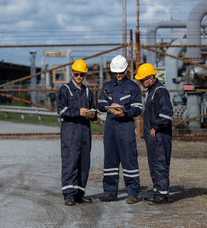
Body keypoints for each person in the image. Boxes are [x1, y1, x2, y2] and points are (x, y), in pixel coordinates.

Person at [97, 55, 142, 204]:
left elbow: (137, 108)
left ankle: (133, 193)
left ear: (126, 69)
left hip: (126, 126)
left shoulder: (133, 87)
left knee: (129, 159)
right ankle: (110, 192)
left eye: (121, 72)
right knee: (110, 159)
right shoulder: (107, 86)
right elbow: (100, 103)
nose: (118, 75)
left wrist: (125, 113)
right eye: (115, 72)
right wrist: (109, 108)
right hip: (110, 125)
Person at [56, 59, 97, 206]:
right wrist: (77, 112)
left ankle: (80, 193)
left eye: (82, 75)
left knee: (84, 164)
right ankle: (69, 194)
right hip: (70, 132)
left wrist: (93, 115)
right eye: (77, 74)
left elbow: (94, 110)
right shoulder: (65, 90)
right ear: (72, 73)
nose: (79, 77)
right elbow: (61, 110)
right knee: (70, 162)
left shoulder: (87, 91)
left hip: (85, 132)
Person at [135, 63, 173, 205]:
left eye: (142, 80)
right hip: (154, 137)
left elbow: (166, 113)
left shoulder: (160, 91)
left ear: (151, 78)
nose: (141, 83)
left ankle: (162, 194)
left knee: (160, 163)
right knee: (154, 163)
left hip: (160, 136)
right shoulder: (153, 91)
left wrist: (156, 127)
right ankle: (157, 191)